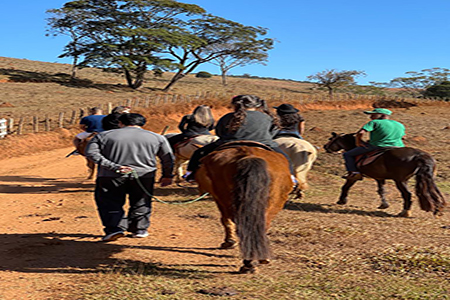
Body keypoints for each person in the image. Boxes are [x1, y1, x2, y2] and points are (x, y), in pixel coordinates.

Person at [85, 113, 174, 242]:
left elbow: (91, 153)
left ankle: (115, 229)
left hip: (110, 175)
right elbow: (167, 158)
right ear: (142, 124)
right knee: (141, 201)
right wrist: (167, 175)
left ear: (120, 123)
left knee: (109, 202)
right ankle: (139, 229)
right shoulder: (157, 137)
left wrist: (114, 166)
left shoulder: (103, 136)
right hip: (144, 175)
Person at [185, 95, 295, 183]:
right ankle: (290, 177)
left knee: (199, 153)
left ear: (235, 105)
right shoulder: (268, 117)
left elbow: (219, 132)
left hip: (229, 142)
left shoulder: (228, 116)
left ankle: (191, 174)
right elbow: (273, 132)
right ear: (256, 105)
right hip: (264, 143)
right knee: (285, 158)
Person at [343, 108, 405, 180]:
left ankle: (354, 173)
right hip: (399, 147)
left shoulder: (375, 122)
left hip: (378, 146)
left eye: (373, 115)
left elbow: (360, 133)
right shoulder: (399, 124)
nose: (370, 117)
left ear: (382, 115)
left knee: (347, 154)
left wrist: (359, 142)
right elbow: (403, 137)